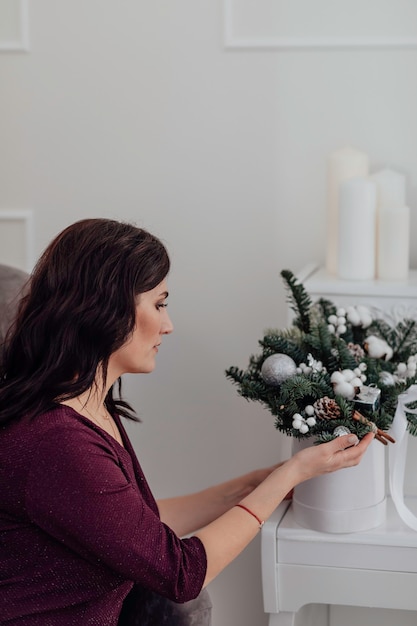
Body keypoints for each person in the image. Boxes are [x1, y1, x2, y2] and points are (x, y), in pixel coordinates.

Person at [0, 218, 374, 625]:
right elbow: (180, 574)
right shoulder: (56, 443)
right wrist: (287, 478)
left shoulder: (90, 405)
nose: (169, 324)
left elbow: (136, 525)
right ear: (104, 307)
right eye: (159, 303)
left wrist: (258, 483)